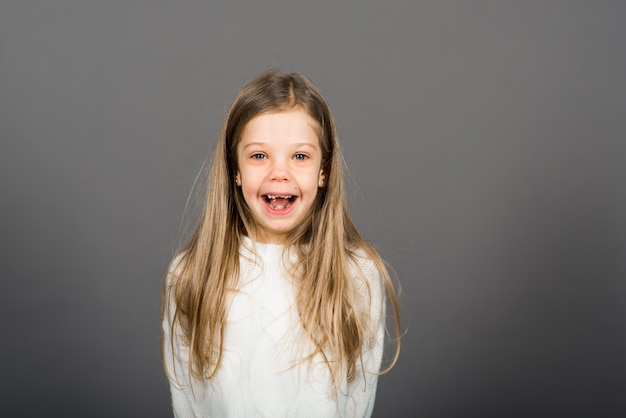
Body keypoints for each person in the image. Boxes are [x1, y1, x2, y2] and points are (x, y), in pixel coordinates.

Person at [161, 70, 400, 417]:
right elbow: (189, 404)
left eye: (300, 156)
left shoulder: (357, 275)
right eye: (259, 156)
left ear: (324, 171)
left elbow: (356, 403)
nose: (279, 172)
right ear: (235, 171)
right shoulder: (190, 276)